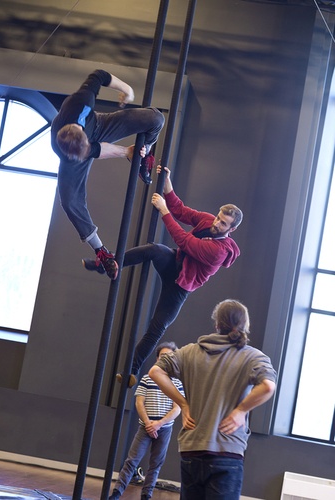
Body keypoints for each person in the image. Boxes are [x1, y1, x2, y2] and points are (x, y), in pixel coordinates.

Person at [84, 166, 243, 386]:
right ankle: (107, 263)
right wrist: (167, 183)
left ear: (231, 229)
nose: (216, 224)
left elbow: (185, 241)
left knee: (157, 327)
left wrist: (163, 211)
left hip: (180, 286)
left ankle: (131, 370)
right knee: (155, 249)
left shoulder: (220, 252)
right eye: (218, 218)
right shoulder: (207, 221)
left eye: (223, 223)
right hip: (173, 263)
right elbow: (181, 210)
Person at [149, 299, 277, 500]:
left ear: (217, 324)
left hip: (192, 449)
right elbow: (268, 386)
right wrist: (240, 411)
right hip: (227, 451)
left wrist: (183, 404)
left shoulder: (188, 352)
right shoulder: (254, 357)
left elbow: (155, 371)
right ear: (245, 326)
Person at [51, 69, 165, 280]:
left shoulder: (82, 101)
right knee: (69, 201)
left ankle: (145, 151)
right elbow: (97, 151)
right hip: (78, 153)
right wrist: (125, 152)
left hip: (99, 124)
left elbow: (98, 75)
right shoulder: (62, 151)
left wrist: (126, 89)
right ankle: (101, 251)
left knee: (155, 118)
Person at [109, 342, 185, 500]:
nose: (166, 359)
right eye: (162, 356)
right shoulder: (147, 378)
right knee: (131, 461)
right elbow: (139, 402)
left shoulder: (177, 382)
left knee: (155, 464)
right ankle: (116, 494)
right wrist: (149, 423)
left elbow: (177, 408)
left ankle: (146, 495)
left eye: (170, 356)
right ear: (157, 358)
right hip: (145, 427)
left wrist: (159, 423)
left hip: (164, 429)